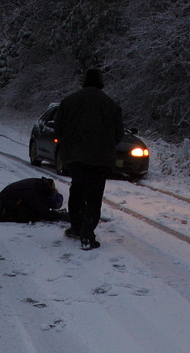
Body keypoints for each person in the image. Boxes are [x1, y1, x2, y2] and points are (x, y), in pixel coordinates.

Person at [54, 68, 124, 250]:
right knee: (93, 197)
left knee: (77, 190)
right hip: (100, 160)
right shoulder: (110, 105)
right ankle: (87, 235)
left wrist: (70, 145)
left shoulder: (69, 102)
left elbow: (58, 128)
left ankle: (76, 228)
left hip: (75, 158)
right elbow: (118, 135)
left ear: (84, 81)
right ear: (101, 82)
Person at [0, 177, 66, 223]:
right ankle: (2, 214)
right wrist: (62, 216)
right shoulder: (38, 193)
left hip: (10, 195)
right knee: (31, 216)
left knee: (34, 210)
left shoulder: (42, 185)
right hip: (7, 199)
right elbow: (45, 214)